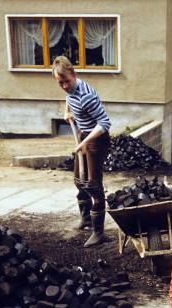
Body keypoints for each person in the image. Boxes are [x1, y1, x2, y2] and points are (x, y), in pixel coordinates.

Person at [53, 56, 111, 247]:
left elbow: (105, 123)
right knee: (79, 181)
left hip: (96, 140)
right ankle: (86, 219)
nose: (64, 86)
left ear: (74, 75)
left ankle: (98, 232)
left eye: (66, 82)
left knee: (93, 184)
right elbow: (69, 97)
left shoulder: (87, 95)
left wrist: (86, 141)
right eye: (60, 83)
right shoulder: (70, 90)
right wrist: (67, 111)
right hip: (83, 135)